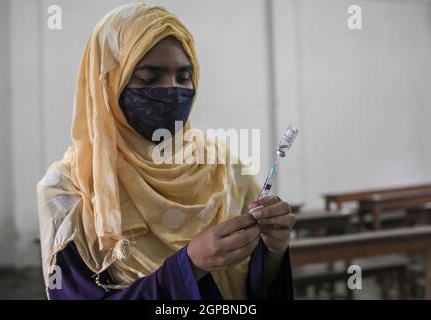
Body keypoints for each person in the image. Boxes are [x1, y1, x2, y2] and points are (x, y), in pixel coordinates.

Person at [36, 3, 295, 300]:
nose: (172, 90)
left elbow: (257, 284)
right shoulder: (70, 189)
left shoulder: (223, 167)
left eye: (184, 78)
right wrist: (188, 267)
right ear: (107, 84)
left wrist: (272, 250)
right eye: (149, 79)